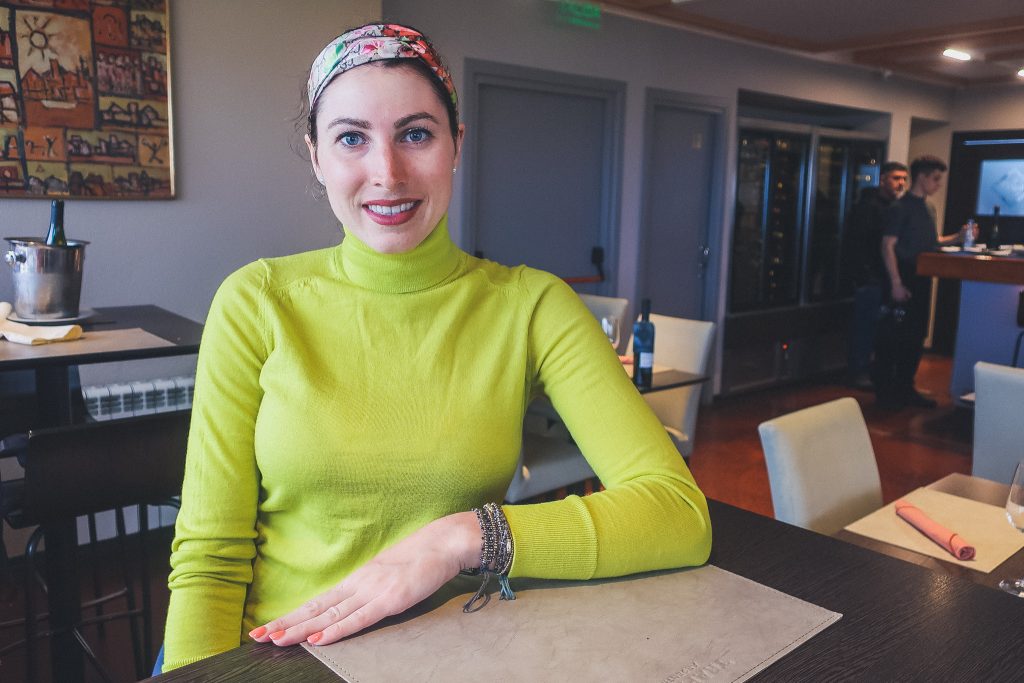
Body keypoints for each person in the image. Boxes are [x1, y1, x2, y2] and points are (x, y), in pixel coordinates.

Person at [160, 23, 711, 672]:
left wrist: (466, 535)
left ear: (456, 145)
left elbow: (677, 512)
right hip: (284, 657)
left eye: (416, 134)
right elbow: (211, 556)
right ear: (316, 156)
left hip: (459, 653)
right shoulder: (255, 301)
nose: (386, 174)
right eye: (351, 139)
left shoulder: (531, 305)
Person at [873, 155, 973, 409]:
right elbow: (888, 246)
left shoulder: (928, 208)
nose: (938, 185)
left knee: (915, 335)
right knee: (893, 335)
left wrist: (958, 237)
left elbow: (932, 241)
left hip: (922, 276)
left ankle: (906, 387)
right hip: (903, 274)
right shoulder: (900, 208)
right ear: (922, 177)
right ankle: (886, 393)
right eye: (936, 179)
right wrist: (895, 282)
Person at [842, 162, 908, 389]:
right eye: (896, 178)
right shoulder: (868, 207)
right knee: (865, 327)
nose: (901, 183)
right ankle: (859, 372)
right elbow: (858, 244)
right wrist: (865, 276)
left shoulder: (893, 207)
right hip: (871, 277)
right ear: (882, 180)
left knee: (876, 327)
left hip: (882, 276)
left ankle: (871, 371)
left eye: (903, 179)